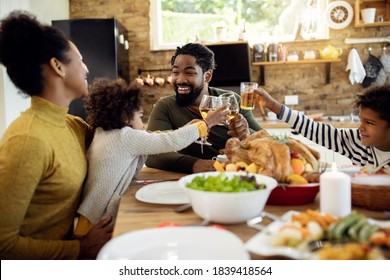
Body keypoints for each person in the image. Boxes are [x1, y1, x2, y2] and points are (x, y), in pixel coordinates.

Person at [0, 10, 112, 259]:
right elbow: (3, 245)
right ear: (58, 66)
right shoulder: (27, 140)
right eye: (80, 59)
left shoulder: (71, 125)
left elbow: (121, 141)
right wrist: (78, 250)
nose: (86, 68)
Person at [74, 78, 229, 235]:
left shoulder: (105, 133)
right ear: (126, 118)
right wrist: (207, 123)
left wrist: (186, 128)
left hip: (88, 218)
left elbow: (152, 137)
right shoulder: (125, 138)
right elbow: (170, 141)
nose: (142, 123)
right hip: (99, 221)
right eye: (140, 116)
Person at [145, 43, 262, 173]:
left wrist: (248, 134)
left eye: (189, 73)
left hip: (235, 175)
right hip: (186, 181)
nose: (180, 80)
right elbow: (151, 153)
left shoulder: (231, 101)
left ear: (207, 76)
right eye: (175, 72)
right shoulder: (165, 106)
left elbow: (268, 142)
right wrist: (194, 164)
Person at [255, 85, 390, 170]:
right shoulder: (356, 140)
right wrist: (272, 104)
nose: (361, 127)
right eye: (361, 120)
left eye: (369, 123)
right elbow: (313, 128)